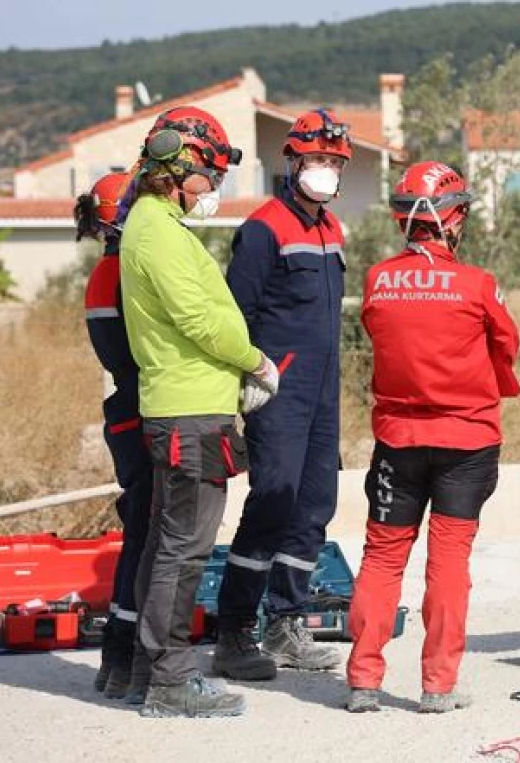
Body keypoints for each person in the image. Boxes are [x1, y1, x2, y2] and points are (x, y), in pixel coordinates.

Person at [119, 106, 281, 717]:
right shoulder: (157, 232)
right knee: (184, 550)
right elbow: (196, 318)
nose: (213, 187)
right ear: (177, 168)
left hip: (189, 405)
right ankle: (170, 681)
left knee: (169, 545)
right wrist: (254, 360)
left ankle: (148, 671)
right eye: (208, 175)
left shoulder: (157, 225)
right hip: (189, 413)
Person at [344, 162, 520, 715]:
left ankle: (363, 680)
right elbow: (507, 347)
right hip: (466, 442)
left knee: (382, 557)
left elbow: (379, 333)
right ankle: (438, 686)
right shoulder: (478, 285)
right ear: (456, 216)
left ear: (403, 218)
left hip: (398, 440)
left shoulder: (377, 280)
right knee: (449, 561)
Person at [213, 109, 350, 680]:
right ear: (292, 162)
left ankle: (286, 622)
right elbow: (234, 311)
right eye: (315, 159)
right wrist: (244, 381)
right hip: (278, 390)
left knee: (314, 506)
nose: (324, 169)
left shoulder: (332, 228)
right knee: (273, 503)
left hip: (323, 392)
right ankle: (235, 631)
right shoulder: (264, 228)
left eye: (334, 162)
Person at [75, 170, 153, 698]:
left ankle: (117, 661)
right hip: (139, 412)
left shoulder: (109, 272)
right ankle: (125, 656)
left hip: (127, 413)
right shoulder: (120, 273)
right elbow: (132, 359)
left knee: (142, 536)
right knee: (147, 538)